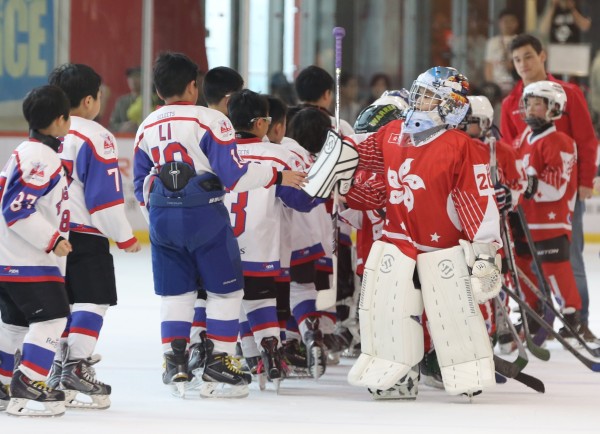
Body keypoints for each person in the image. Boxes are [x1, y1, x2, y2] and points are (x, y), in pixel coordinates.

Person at [306, 66, 503, 400]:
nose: (417, 100)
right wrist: (336, 157)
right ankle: (397, 374)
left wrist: (485, 253)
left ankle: (460, 369)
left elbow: (478, 202)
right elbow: (360, 158)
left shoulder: (461, 147)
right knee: (386, 311)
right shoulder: (392, 133)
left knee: (452, 312)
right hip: (396, 244)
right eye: (418, 92)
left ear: (449, 105)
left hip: (442, 251)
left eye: (427, 96)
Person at [132, 52, 306, 398]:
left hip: (163, 217)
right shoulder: (211, 120)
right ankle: (220, 361)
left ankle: (175, 360)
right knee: (226, 291)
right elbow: (234, 175)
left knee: (177, 292)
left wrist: (157, 221)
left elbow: (140, 185)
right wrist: (278, 174)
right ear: (193, 86)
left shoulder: (146, 125)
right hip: (205, 215)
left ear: (157, 89)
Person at [47, 63, 141, 409]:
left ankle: (57, 367)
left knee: (64, 303)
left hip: (49, 235)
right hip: (85, 234)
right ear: (88, 101)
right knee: (93, 299)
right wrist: (124, 235)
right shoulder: (96, 135)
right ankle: (75, 365)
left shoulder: (48, 131)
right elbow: (104, 199)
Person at [500, 33, 598, 342]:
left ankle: (576, 320)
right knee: (528, 259)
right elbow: (508, 148)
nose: (523, 64)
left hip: (562, 194)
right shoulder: (510, 102)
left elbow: (585, 139)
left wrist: (584, 182)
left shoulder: (568, 93)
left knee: (568, 257)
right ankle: (538, 316)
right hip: (525, 201)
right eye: (517, 60)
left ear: (542, 56)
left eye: (528, 56)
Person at [225, 89, 322, 387]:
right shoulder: (276, 155)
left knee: (234, 302)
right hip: (263, 248)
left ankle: (248, 358)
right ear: (260, 123)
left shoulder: (218, 150)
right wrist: (325, 184)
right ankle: (270, 349)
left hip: (221, 246)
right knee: (262, 300)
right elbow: (301, 201)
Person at [0, 85, 73, 417]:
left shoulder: (23, 150)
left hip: (9, 258)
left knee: (14, 324)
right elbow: (16, 209)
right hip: (28, 259)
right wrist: (52, 239)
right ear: (60, 121)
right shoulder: (43, 156)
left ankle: (3, 384)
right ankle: (28, 380)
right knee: (55, 316)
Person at [512, 81, 582, 335]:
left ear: (554, 108)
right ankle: (532, 312)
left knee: (555, 268)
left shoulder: (560, 141)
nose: (530, 109)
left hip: (549, 220)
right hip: (521, 217)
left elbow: (556, 185)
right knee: (520, 265)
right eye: (528, 103)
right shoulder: (522, 139)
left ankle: (571, 315)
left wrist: (522, 183)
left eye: (537, 104)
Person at [484, 9, 520, 97]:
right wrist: (490, 86)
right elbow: (488, 65)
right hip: (497, 85)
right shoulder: (492, 42)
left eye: (512, 21)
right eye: (505, 21)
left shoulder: (520, 40)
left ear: (517, 23)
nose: (508, 24)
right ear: (499, 23)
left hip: (514, 85)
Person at [109, 67, 142, 133]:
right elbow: (112, 124)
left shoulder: (151, 100)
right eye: (130, 77)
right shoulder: (122, 101)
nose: (133, 80)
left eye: (137, 76)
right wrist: (122, 127)